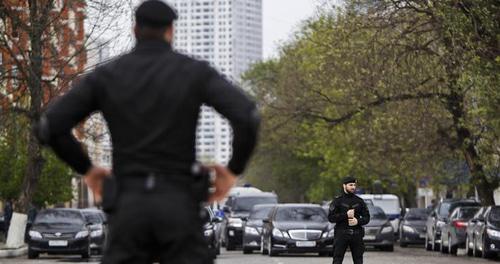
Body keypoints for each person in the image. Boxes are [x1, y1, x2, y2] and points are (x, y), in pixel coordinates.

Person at [34, 1, 260, 263]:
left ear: (135, 30)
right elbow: (247, 117)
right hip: (179, 206)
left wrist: (87, 168)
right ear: (170, 31)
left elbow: (50, 126)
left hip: (128, 208)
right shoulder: (193, 72)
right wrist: (232, 169)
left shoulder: (107, 76)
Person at [328, 176, 370, 264]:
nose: (353, 187)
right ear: (344, 186)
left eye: (354, 185)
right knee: (337, 260)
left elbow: (367, 218)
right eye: (350, 185)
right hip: (341, 234)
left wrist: (358, 221)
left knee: (358, 260)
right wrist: (345, 215)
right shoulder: (337, 201)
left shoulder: (359, 201)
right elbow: (331, 218)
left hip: (356, 234)